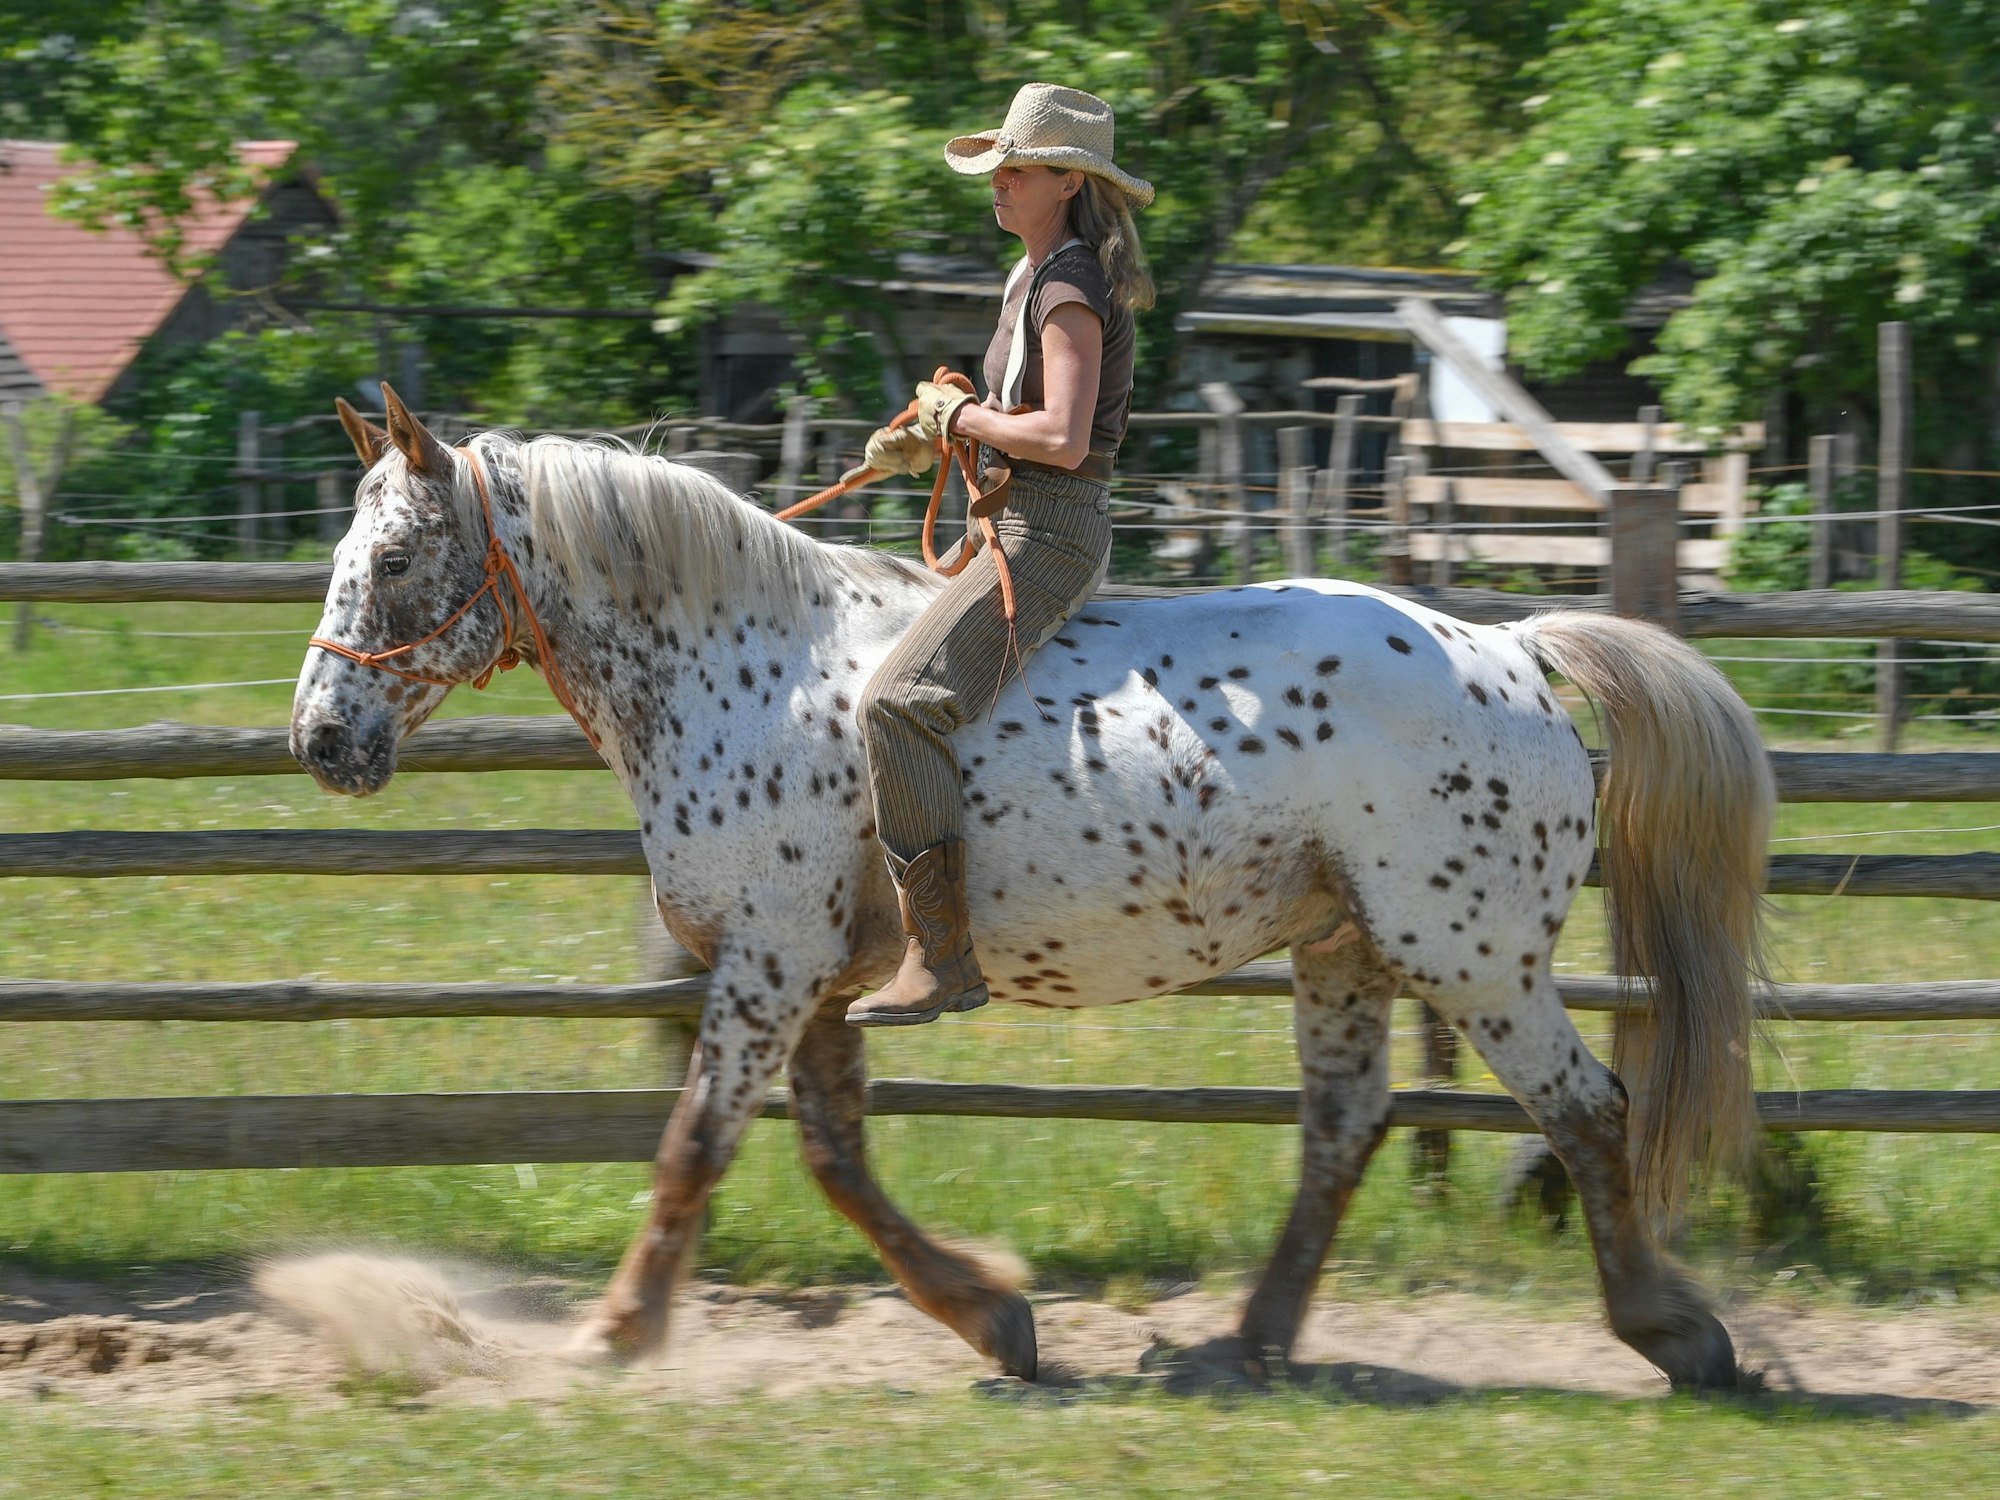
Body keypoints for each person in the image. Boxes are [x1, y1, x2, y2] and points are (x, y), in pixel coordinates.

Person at [846, 82, 1156, 1027]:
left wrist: (962, 416)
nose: (998, 181)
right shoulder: (1034, 276)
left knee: (898, 705)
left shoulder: (1067, 285)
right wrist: (937, 438)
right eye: (997, 166)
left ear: (1066, 181)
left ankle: (941, 959)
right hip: (1010, 518)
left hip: (1049, 531)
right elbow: (1023, 423)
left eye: (1015, 168)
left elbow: (1062, 438)